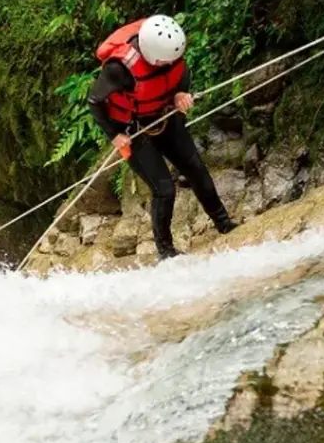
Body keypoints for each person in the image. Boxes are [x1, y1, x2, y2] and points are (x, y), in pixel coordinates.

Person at [88, 14, 238, 260]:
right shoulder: (119, 69)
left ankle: (224, 223)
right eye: (165, 61)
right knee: (164, 189)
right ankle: (166, 252)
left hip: (163, 116)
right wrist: (114, 135)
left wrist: (181, 94)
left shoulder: (171, 54)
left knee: (195, 168)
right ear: (152, 55)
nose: (170, 64)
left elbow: (182, 73)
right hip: (132, 130)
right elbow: (95, 101)